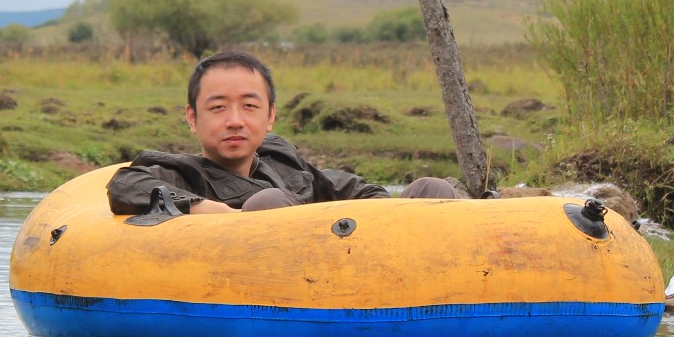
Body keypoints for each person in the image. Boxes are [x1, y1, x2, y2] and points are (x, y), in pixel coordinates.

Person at [106, 50, 463, 215]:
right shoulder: (179, 174)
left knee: (433, 188)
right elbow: (124, 187)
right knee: (268, 204)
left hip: (353, 272)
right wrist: (212, 211)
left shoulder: (284, 163)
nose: (235, 121)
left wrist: (388, 219)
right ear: (192, 117)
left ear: (270, 116)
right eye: (217, 108)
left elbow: (356, 189)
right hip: (269, 294)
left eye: (249, 106)